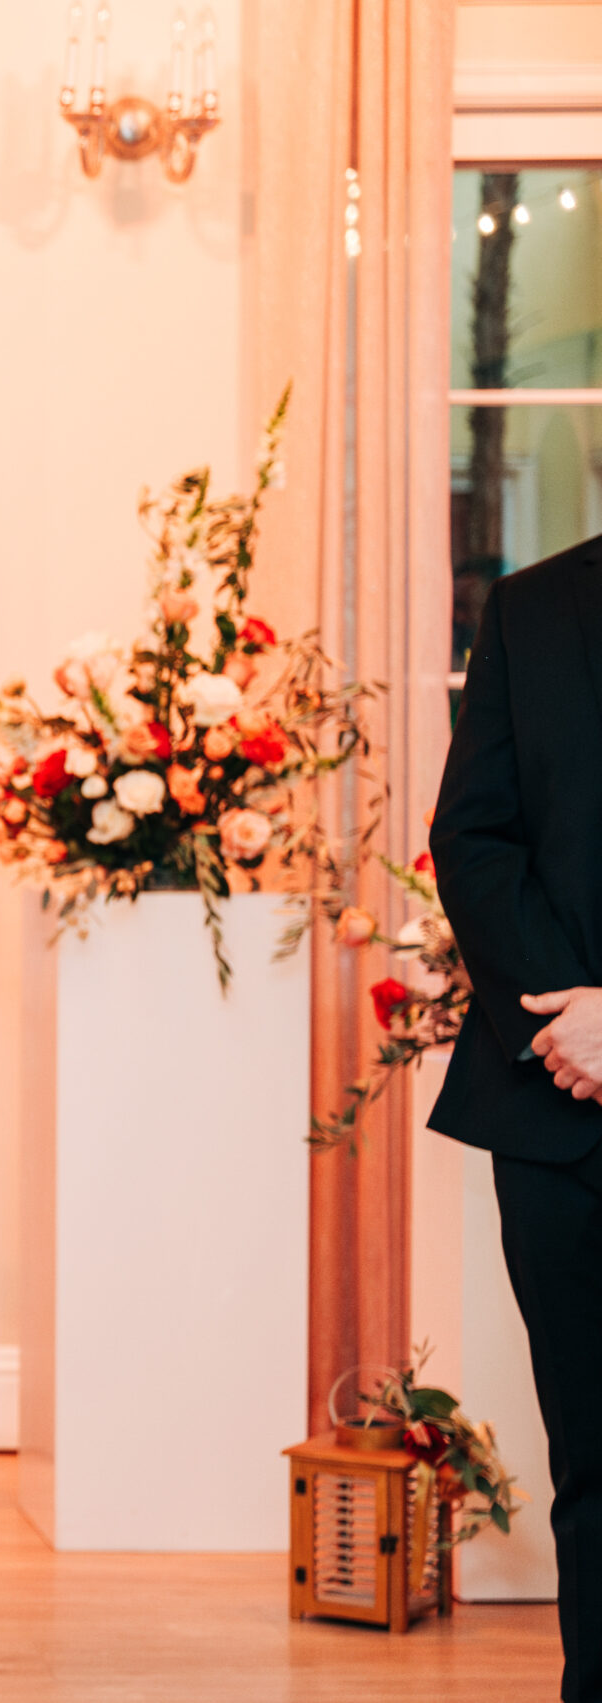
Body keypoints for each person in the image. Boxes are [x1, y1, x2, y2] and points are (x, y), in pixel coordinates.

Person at [429, 530, 602, 1703]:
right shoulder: (531, 607)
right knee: (593, 1463)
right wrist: (573, 1019)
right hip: (560, 1112)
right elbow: (473, 833)